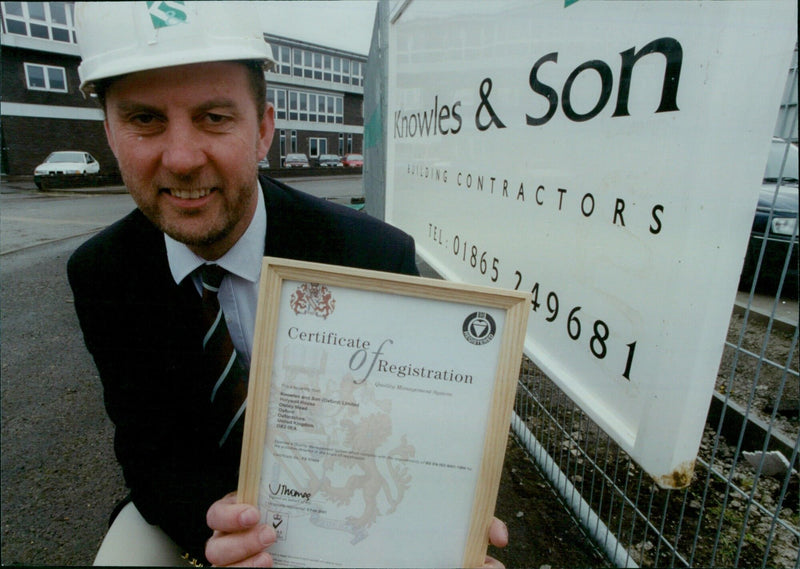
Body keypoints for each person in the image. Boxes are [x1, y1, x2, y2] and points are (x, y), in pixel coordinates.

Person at [67, 2, 508, 566]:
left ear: (264, 130)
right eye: (145, 120)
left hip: (346, 507)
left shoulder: (370, 256)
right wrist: (213, 525)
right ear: (109, 132)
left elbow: (419, 433)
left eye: (214, 117)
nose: (180, 159)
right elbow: (149, 451)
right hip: (209, 511)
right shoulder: (104, 272)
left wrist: (446, 518)